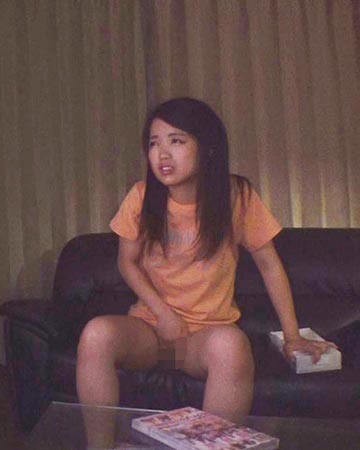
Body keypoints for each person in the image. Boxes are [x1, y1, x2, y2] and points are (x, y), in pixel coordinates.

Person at [75, 97, 338, 424]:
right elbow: (126, 262)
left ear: (208, 148)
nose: (162, 154)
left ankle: (211, 444)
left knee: (231, 346)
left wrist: (293, 336)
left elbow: (269, 265)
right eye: (154, 143)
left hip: (201, 340)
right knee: (97, 334)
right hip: (150, 334)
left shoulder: (236, 197)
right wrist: (163, 313)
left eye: (176, 141)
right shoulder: (141, 197)